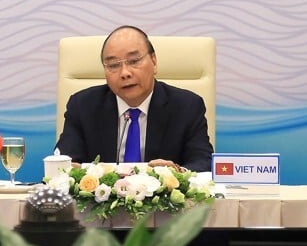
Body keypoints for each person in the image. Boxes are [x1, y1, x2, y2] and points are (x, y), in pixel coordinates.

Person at [54, 25, 214, 173]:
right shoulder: (83, 106)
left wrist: (176, 173)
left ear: (154, 61)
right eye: (113, 65)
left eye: (134, 61)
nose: (125, 73)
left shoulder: (187, 106)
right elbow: (64, 162)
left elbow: (203, 163)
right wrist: (70, 170)